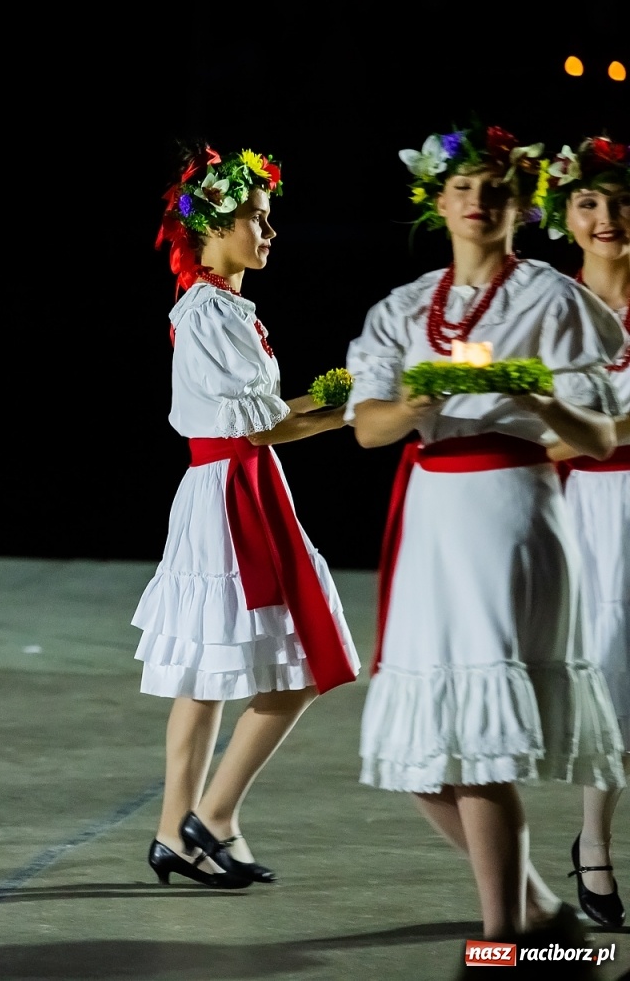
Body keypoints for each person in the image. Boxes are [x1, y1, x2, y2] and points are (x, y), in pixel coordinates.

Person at [349, 125, 625, 939]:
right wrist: (417, 401)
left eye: (495, 189)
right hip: (433, 514)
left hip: (510, 511)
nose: (478, 201)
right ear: (437, 202)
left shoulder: (550, 298)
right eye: (463, 187)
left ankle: (503, 939)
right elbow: (368, 429)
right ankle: (538, 913)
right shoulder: (405, 306)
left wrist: (534, 395)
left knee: (475, 743)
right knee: (419, 751)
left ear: (520, 206)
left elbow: (598, 437)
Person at [134, 144, 359, 889]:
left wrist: (335, 402)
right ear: (212, 226)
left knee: (219, 674)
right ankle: (201, 820)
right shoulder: (206, 311)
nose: (269, 231)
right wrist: (347, 413)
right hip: (229, 491)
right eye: (257, 219)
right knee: (249, 667)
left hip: (242, 484)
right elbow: (258, 427)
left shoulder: (222, 306)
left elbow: (260, 418)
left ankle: (188, 828)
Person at [540, 136, 630, 926]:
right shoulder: (548, 310)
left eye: (623, 201)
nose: (607, 217)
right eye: (590, 202)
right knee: (606, 676)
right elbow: (537, 436)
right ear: (564, 215)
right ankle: (595, 845)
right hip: (589, 512)